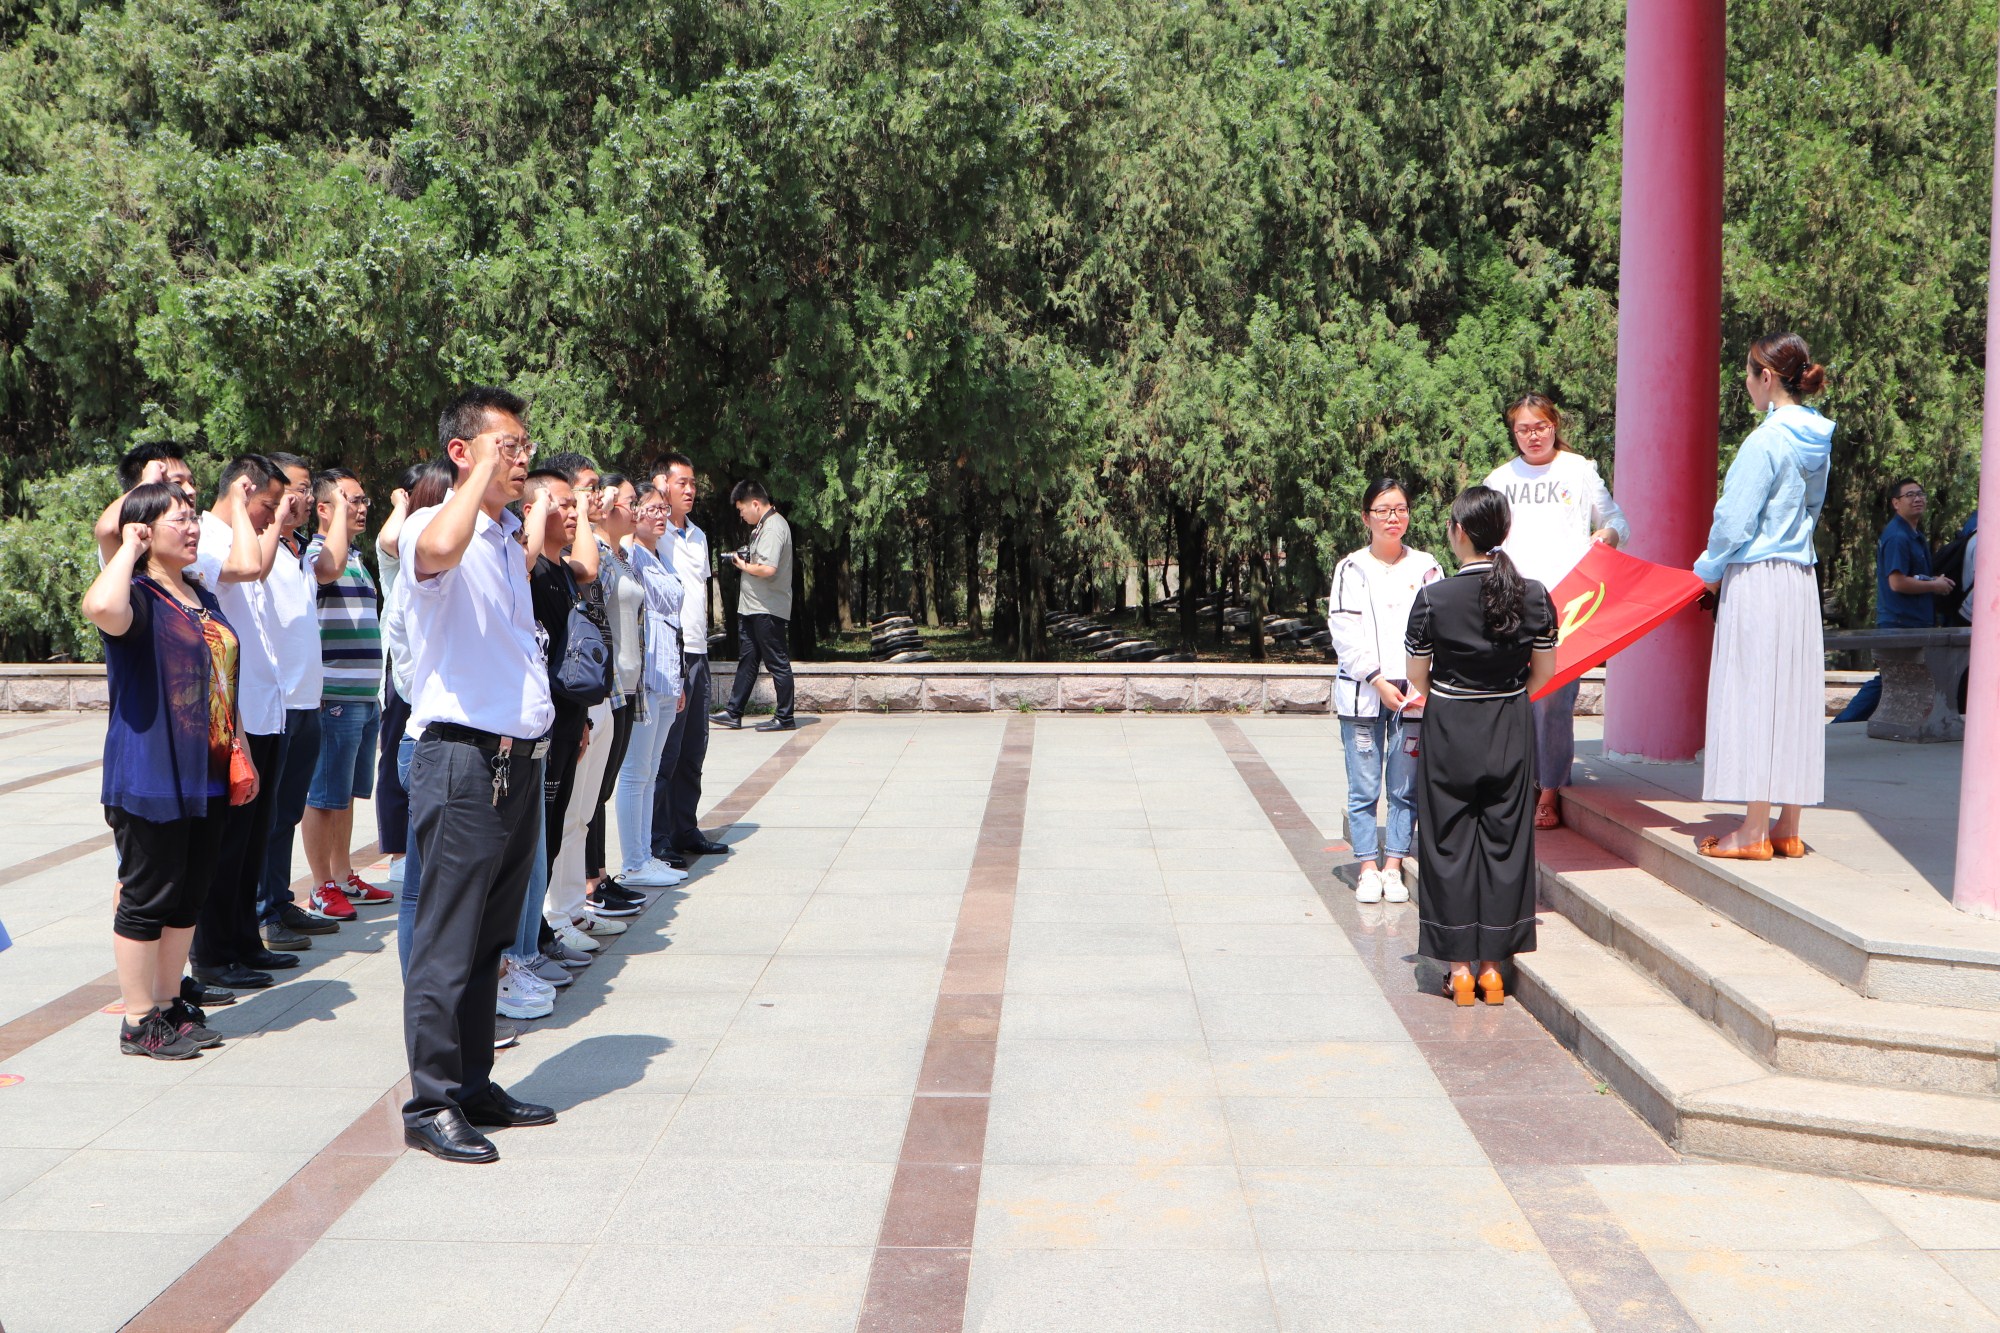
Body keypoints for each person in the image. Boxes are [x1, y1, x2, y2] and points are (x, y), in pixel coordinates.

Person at [399, 386, 558, 1163]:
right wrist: (475, 481)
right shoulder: (435, 524)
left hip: (515, 763)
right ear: (462, 453)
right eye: (507, 445)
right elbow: (434, 552)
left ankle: (471, 1081)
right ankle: (430, 1101)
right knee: (447, 940)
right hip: (463, 761)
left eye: (526, 445)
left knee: (491, 937)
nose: (522, 458)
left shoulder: (501, 538)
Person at [84, 481, 253, 1057]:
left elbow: (223, 678)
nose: (192, 527)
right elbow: (99, 608)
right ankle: (137, 1021)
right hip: (151, 771)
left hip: (207, 768)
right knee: (148, 896)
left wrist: (242, 747)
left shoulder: (198, 593)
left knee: (188, 896)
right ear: (144, 529)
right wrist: (128, 548)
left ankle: (167, 1002)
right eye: (178, 519)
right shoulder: (135, 596)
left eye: (193, 517)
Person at [1402, 486, 1558, 1005]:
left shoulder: (1433, 598)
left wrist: (1456, 698)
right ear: (1503, 532)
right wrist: (1504, 697)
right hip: (1510, 722)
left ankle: (1460, 971)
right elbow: (1543, 674)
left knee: (1447, 843)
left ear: (1459, 532)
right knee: (1505, 842)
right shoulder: (1535, 595)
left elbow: (1417, 677)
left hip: (1450, 725)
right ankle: (1493, 970)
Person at [1694, 333, 1835, 860]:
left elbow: (1733, 521)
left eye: (1749, 374)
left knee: (1754, 692)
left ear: (1768, 377)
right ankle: (1787, 827)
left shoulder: (1765, 441)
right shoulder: (1817, 437)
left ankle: (1753, 829)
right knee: (1793, 695)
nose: (1746, 384)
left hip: (1757, 575)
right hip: (1799, 577)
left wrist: (1708, 570)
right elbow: (1812, 510)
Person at [1482, 393, 1627, 830]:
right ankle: (1516, 784)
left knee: (1553, 700)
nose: (1533, 436)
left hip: (1567, 604)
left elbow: (1616, 520)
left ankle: (1550, 788)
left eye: (1540, 427)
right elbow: (1484, 536)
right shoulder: (1500, 478)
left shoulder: (1578, 469)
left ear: (1554, 425)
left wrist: (1607, 536)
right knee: (1512, 697)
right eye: (1523, 429)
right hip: (1511, 600)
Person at [189, 455, 303, 992]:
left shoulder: (244, 534)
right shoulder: (207, 537)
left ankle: (243, 940)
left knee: (253, 838)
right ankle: (213, 954)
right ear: (241, 490)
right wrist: (241, 510)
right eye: (267, 504)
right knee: (227, 843)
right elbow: (247, 568)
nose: (272, 516)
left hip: (263, 705)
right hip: (232, 713)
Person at [1326, 478, 1441, 905]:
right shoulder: (1351, 568)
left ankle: (1393, 864)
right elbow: (1344, 631)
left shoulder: (1427, 567)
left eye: (1400, 509)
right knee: (1364, 787)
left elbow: (1438, 626)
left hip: (1412, 696)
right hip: (1363, 693)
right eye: (1383, 510)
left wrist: (1422, 682)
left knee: (1404, 786)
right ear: (1366, 518)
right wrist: (1376, 679)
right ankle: (1366, 867)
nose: (1393, 517)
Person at [379, 459, 455, 972]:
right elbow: (390, 538)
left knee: (427, 887)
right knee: (424, 889)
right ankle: (425, 996)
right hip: (429, 737)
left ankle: (429, 993)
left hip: (429, 735)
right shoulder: (414, 572)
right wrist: (403, 505)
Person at [301, 468, 386, 908]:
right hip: (334, 696)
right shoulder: (317, 555)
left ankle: (343, 874)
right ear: (324, 508)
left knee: (346, 795)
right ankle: (321, 885)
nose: (362, 507)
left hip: (364, 698)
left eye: (363, 499)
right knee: (322, 796)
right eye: (352, 500)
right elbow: (323, 575)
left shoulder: (355, 558)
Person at [577, 472, 649, 918]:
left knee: (602, 789)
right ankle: (589, 882)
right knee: (595, 790)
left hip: (628, 685)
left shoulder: (622, 556)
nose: (635, 508)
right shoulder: (598, 554)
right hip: (609, 683)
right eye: (628, 500)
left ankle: (599, 874)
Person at [651, 453, 729, 861]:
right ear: (662, 483)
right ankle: (657, 838)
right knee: (667, 750)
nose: (690, 489)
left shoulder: (698, 535)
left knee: (694, 747)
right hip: (670, 652)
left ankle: (685, 828)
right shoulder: (655, 531)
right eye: (682, 482)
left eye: (693, 483)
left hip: (698, 650)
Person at [1831, 477, 1955, 724]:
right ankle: (1843, 723)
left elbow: (1909, 575)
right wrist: (1934, 586)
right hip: (1900, 622)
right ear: (1895, 503)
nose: (1917, 498)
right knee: (1889, 678)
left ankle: (1899, 723)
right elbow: (1896, 582)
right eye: (1909, 495)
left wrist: (1931, 580)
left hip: (1914, 620)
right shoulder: (1898, 536)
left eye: (1920, 494)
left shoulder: (1913, 534)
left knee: (1896, 678)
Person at [615, 482, 689, 886]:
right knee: (635, 770)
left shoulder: (662, 556)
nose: (661, 515)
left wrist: (679, 681)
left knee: (652, 769)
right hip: (644, 677)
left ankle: (645, 854)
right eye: (651, 508)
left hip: (667, 675)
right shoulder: (631, 554)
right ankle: (633, 862)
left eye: (664, 509)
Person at [715, 480, 797, 732]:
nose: (741, 515)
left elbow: (769, 568)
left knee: (777, 662)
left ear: (754, 503)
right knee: (748, 660)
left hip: (767, 608)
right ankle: (734, 712)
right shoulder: (763, 527)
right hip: (753, 607)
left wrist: (742, 565)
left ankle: (785, 717)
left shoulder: (773, 527)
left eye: (742, 509)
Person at [92, 443, 198, 561]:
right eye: (177, 483)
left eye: (191, 482)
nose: (191, 491)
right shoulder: (130, 546)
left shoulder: (194, 539)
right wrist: (149, 480)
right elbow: (106, 530)